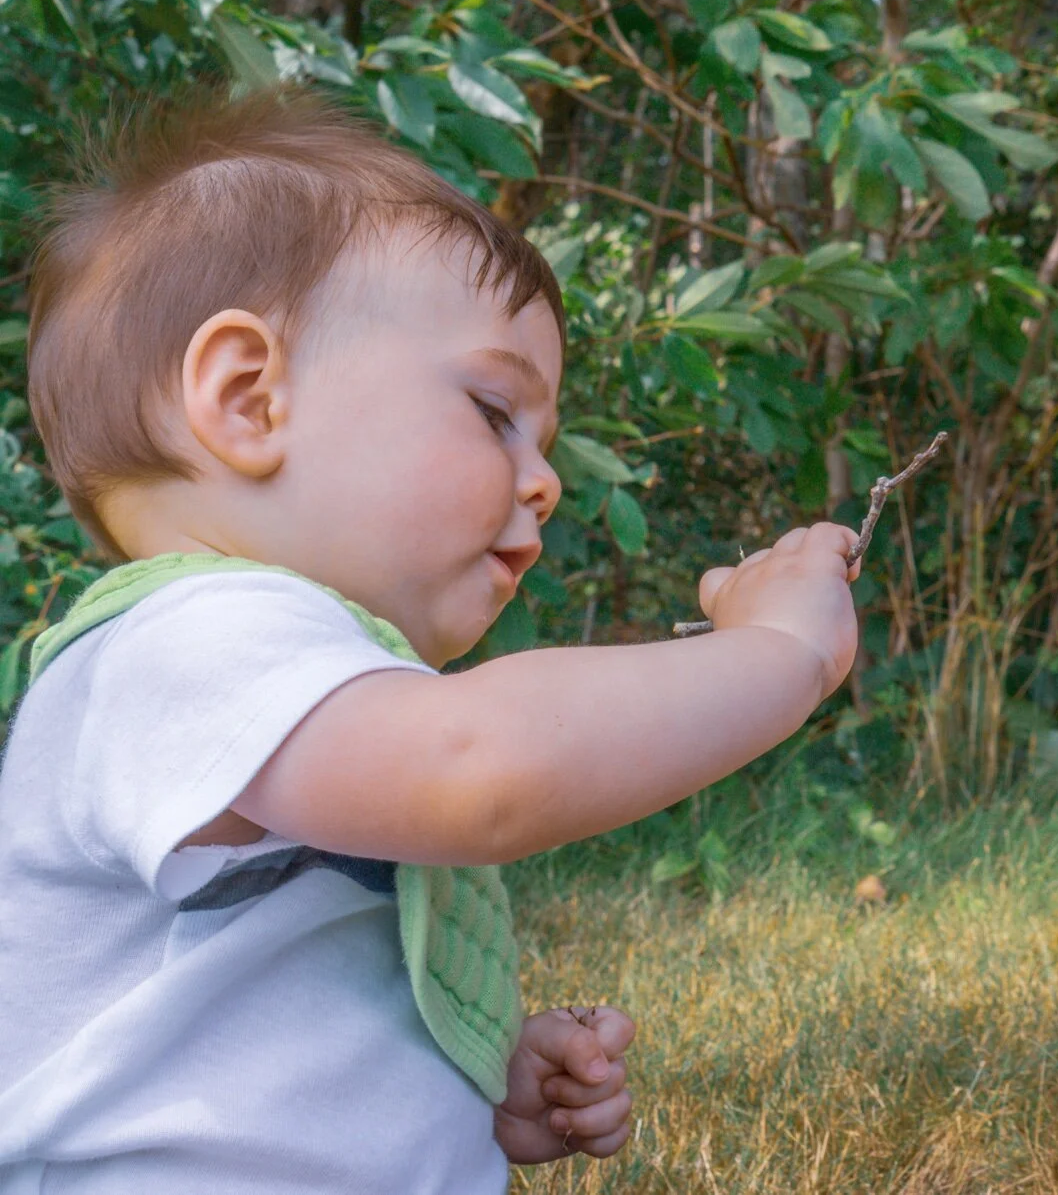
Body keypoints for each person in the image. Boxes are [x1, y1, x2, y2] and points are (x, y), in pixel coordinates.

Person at [0, 90, 863, 1193]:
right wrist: (780, 654)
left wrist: (463, 1077)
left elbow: (270, 1003)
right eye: (495, 412)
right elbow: (479, 768)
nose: (544, 483)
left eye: (543, 443)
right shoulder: (181, 640)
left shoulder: (286, 678)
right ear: (249, 399)